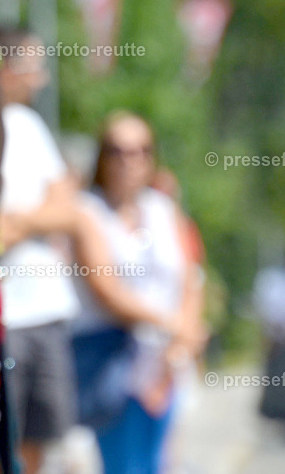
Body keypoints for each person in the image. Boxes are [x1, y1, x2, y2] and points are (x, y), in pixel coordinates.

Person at [71, 111, 206, 474]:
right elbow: (105, 288)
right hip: (111, 355)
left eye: (140, 151)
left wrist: (183, 336)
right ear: (102, 156)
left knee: (157, 461)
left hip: (164, 355)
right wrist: (171, 323)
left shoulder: (162, 209)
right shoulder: (87, 210)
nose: (129, 161)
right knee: (123, 464)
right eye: (118, 151)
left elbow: (190, 277)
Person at [0, 28, 83, 474]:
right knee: (0, 435)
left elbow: (69, 208)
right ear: (3, 67)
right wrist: (36, 217)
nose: (40, 79)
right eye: (32, 66)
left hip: (44, 309)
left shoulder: (27, 124)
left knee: (41, 439)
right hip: (0, 313)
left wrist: (19, 224)